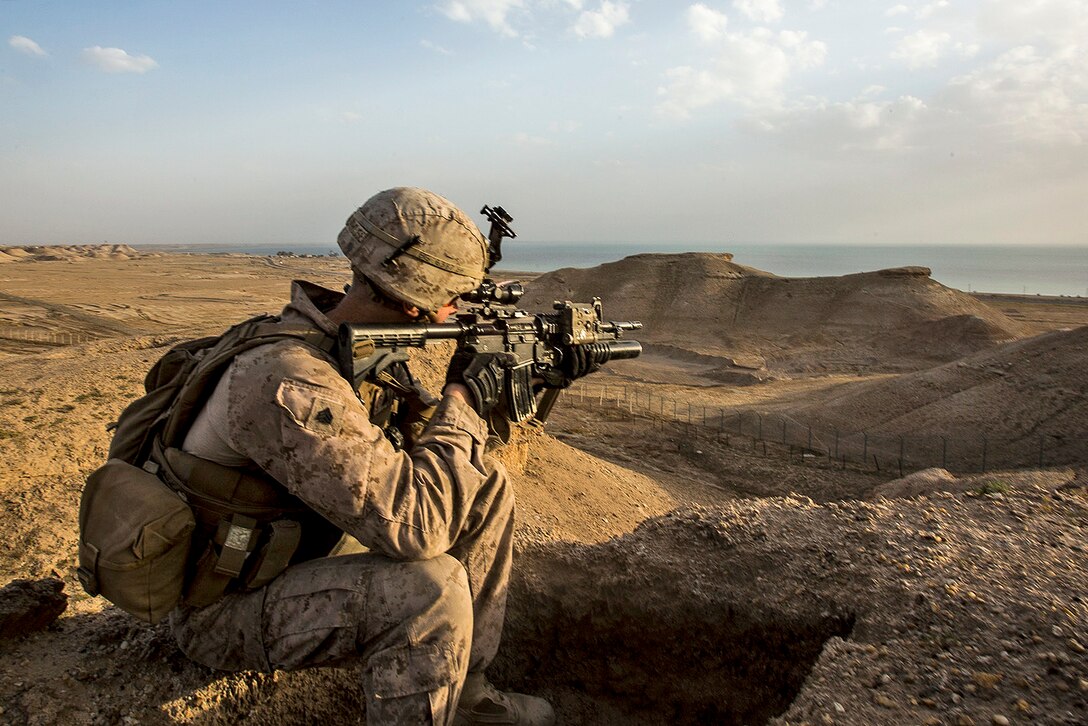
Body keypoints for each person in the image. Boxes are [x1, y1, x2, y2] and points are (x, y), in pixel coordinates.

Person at [168, 188, 559, 725]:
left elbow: (428, 465)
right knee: (430, 591)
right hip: (222, 606)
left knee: (484, 486)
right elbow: (418, 526)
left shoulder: (343, 345)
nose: (458, 309)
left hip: (297, 556)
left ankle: (468, 696)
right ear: (415, 299)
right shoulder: (290, 376)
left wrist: (497, 394)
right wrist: (462, 400)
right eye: (455, 296)